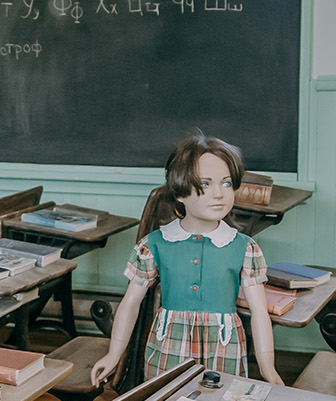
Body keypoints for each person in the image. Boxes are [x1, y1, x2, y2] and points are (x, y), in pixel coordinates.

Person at [89, 132, 284, 387]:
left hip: (223, 347)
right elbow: (131, 303)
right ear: (180, 192)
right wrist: (114, 353)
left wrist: (268, 367)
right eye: (205, 184)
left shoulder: (244, 248)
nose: (219, 194)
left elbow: (259, 313)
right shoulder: (155, 244)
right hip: (170, 346)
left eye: (226, 183)